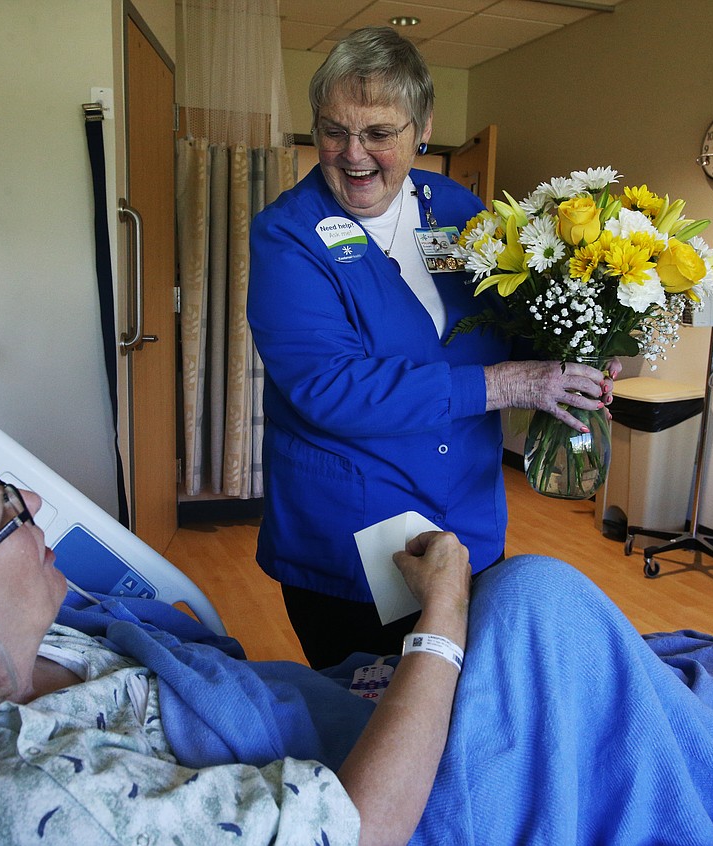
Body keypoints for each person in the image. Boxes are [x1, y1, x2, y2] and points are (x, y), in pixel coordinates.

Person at [0, 420, 713, 845]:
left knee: (579, 633)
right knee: (536, 605)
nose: (35, 506)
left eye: (8, 483)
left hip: (342, 715)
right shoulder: (54, 804)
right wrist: (443, 620)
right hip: (394, 806)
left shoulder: (16, 653)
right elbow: (351, 828)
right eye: (3, 511)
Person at [248, 26, 620, 669]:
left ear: (423, 127)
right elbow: (331, 386)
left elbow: (500, 315)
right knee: (374, 718)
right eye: (333, 130)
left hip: (467, 517)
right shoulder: (288, 237)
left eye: (379, 134)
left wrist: (578, 343)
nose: (351, 154)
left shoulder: (454, 208)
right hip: (357, 534)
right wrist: (508, 385)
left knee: (469, 711)